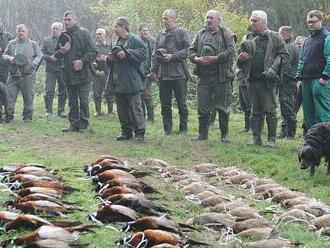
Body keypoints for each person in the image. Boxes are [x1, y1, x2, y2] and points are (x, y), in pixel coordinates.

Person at [237, 10, 288, 147]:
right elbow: (239, 62)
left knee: (270, 110)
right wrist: (241, 58)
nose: (251, 23)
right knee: (254, 111)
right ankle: (256, 139)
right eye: (251, 20)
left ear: (263, 22)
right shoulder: (247, 38)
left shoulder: (275, 36)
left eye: (255, 20)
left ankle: (271, 140)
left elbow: (283, 55)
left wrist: (273, 69)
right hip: (251, 80)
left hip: (268, 80)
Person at [188, 10, 235, 142]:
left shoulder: (226, 33)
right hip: (204, 77)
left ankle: (224, 135)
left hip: (221, 76)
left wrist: (216, 58)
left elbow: (231, 51)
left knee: (223, 107)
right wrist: (196, 59)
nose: (209, 20)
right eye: (207, 17)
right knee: (202, 107)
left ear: (218, 20)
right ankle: (202, 135)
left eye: (211, 18)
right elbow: (191, 51)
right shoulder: (200, 34)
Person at [150, 9, 190, 136]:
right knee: (165, 105)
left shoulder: (181, 32)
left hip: (179, 74)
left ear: (174, 19)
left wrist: (172, 56)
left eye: (167, 18)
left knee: (181, 104)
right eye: (163, 18)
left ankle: (183, 130)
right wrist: (153, 71)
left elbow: (188, 50)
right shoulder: (160, 35)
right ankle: (167, 130)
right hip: (163, 75)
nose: (165, 21)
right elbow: (155, 55)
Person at [55, 11, 97, 132]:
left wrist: (82, 61)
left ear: (75, 20)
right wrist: (62, 51)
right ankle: (73, 123)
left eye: (69, 19)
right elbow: (55, 54)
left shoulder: (84, 33)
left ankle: (84, 124)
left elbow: (93, 51)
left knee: (83, 100)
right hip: (68, 74)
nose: (67, 22)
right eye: (65, 20)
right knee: (72, 101)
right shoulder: (63, 36)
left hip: (83, 74)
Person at [106, 17, 147, 141]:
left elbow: (143, 54)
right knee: (122, 109)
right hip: (119, 81)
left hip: (132, 80)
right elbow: (112, 63)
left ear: (123, 26)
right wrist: (110, 59)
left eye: (116, 26)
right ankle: (126, 132)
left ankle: (139, 133)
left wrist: (127, 53)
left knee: (135, 108)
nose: (114, 29)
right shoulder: (117, 42)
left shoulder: (135, 39)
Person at [296, 10, 330, 130]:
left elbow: (329, 58)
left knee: (323, 114)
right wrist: (299, 77)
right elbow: (301, 60)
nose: (310, 24)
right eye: (308, 22)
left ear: (321, 21)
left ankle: (326, 143)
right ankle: (312, 143)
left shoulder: (327, 37)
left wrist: (325, 76)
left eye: (313, 22)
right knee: (308, 114)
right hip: (306, 81)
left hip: (319, 80)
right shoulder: (307, 40)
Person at [2, 24, 43, 122]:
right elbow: (4, 55)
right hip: (13, 75)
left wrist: (34, 63)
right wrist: (10, 58)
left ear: (27, 33)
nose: (21, 33)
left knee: (28, 97)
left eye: (23, 31)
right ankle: (9, 116)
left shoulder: (33, 44)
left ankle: (27, 117)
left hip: (27, 76)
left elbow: (40, 55)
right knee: (9, 97)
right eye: (19, 31)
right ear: (17, 32)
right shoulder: (11, 43)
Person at [277, 26, 299, 139]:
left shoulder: (289, 47)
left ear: (285, 34)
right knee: (284, 106)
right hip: (286, 81)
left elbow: (285, 65)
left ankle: (290, 134)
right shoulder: (290, 46)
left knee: (287, 107)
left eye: (279, 33)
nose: (278, 36)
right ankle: (284, 131)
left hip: (288, 81)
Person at [41, 22, 67, 118]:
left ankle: (61, 110)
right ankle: (48, 111)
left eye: (57, 29)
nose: (55, 30)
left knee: (63, 89)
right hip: (50, 69)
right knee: (49, 90)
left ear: (61, 30)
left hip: (62, 68)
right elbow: (41, 54)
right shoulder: (46, 40)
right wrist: (50, 57)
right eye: (53, 28)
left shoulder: (65, 40)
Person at [91, 28, 115, 117]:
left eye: (100, 34)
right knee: (96, 92)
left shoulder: (111, 46)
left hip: (108, 73)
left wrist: (106, 58)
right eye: (97, 34)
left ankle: (110, 112)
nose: (98, 36)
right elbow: (90, 58)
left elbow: (114, 59)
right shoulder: (93, 46)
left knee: (109, 92)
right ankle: (98, 111)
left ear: (105, 35)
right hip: (97, 73)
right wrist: (94, 64)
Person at [139, 24, 155, 123]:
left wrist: (152, 71)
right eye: (144, 30)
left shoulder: (151, 41)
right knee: (139, 96)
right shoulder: (136, 41)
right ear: (139, 31)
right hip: (138, 73)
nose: (145, 32)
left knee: (147, 95)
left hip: (148, 73)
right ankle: (142, 117)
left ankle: (150, 118)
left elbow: (154, 57)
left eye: (147, 31)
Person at [0, 18, 12, 122]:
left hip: (4, 68)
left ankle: (7, 114)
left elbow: (12, 49)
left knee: (4, 91)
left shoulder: (7, 36)